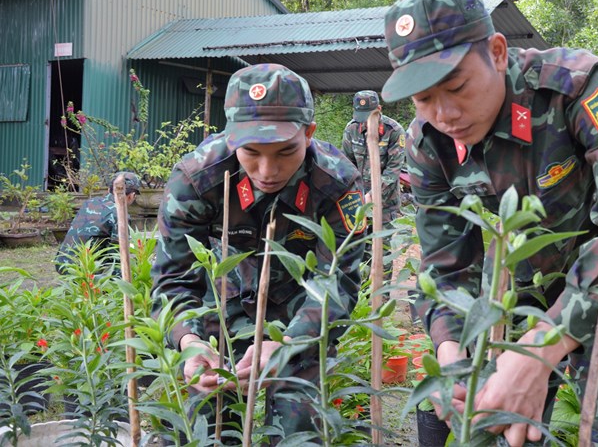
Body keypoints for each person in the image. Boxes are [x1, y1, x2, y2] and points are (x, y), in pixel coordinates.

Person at [381, 0, 598, 446]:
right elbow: (446, 265)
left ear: (497, 52)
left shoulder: (577, 87)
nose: (445, 114)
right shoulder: (429, 144)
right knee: (494, 429)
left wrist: (541, 350)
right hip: (511, 299)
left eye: (457, 86)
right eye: (422, 100)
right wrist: (453, 351)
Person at [150, 63, 365, 444]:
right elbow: (173, 279)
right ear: (230, 138)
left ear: (309, 133)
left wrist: (287, 342)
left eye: (285, 152)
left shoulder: (336, 182)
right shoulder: (197, 179)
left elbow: (338, 283)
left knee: (299, 428)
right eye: (251, 152)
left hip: (302, 313)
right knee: (205, 428)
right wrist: (190, 342)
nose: (268, 170)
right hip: (220, 308)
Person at [341, 90, 405, 279]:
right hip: (358, 202)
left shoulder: (394, 132)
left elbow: (393, 171)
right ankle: (361, 295)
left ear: (379, 110)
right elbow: (346, 164)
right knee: (358, 248)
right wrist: (355, 195)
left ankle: (382, 297)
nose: (365, 122)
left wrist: (373, 194)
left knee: (381, 250)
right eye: (361, 116)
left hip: (384, 204)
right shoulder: (351, 129)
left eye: (369, 116)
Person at [55, 171, 141, 273]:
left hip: (62, 262)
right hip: (84, 271)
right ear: (132, 195)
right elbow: (117, 257)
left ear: (109, 189)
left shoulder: (90, 203)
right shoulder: (120, 214)